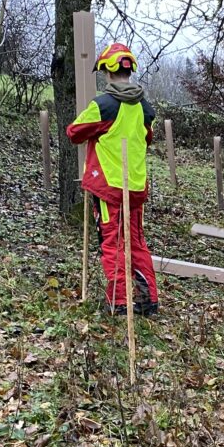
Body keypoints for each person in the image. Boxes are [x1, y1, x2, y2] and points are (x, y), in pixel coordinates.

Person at [67, 43, 159, 316]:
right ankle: (147, 301)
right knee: (137, 242)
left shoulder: (103, 105)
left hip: (109, 188)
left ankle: (119, 302)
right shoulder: (146, 108)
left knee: (113, 242)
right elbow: (148, 138)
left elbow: (74, 132)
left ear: (107, 71)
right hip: (136, 187)